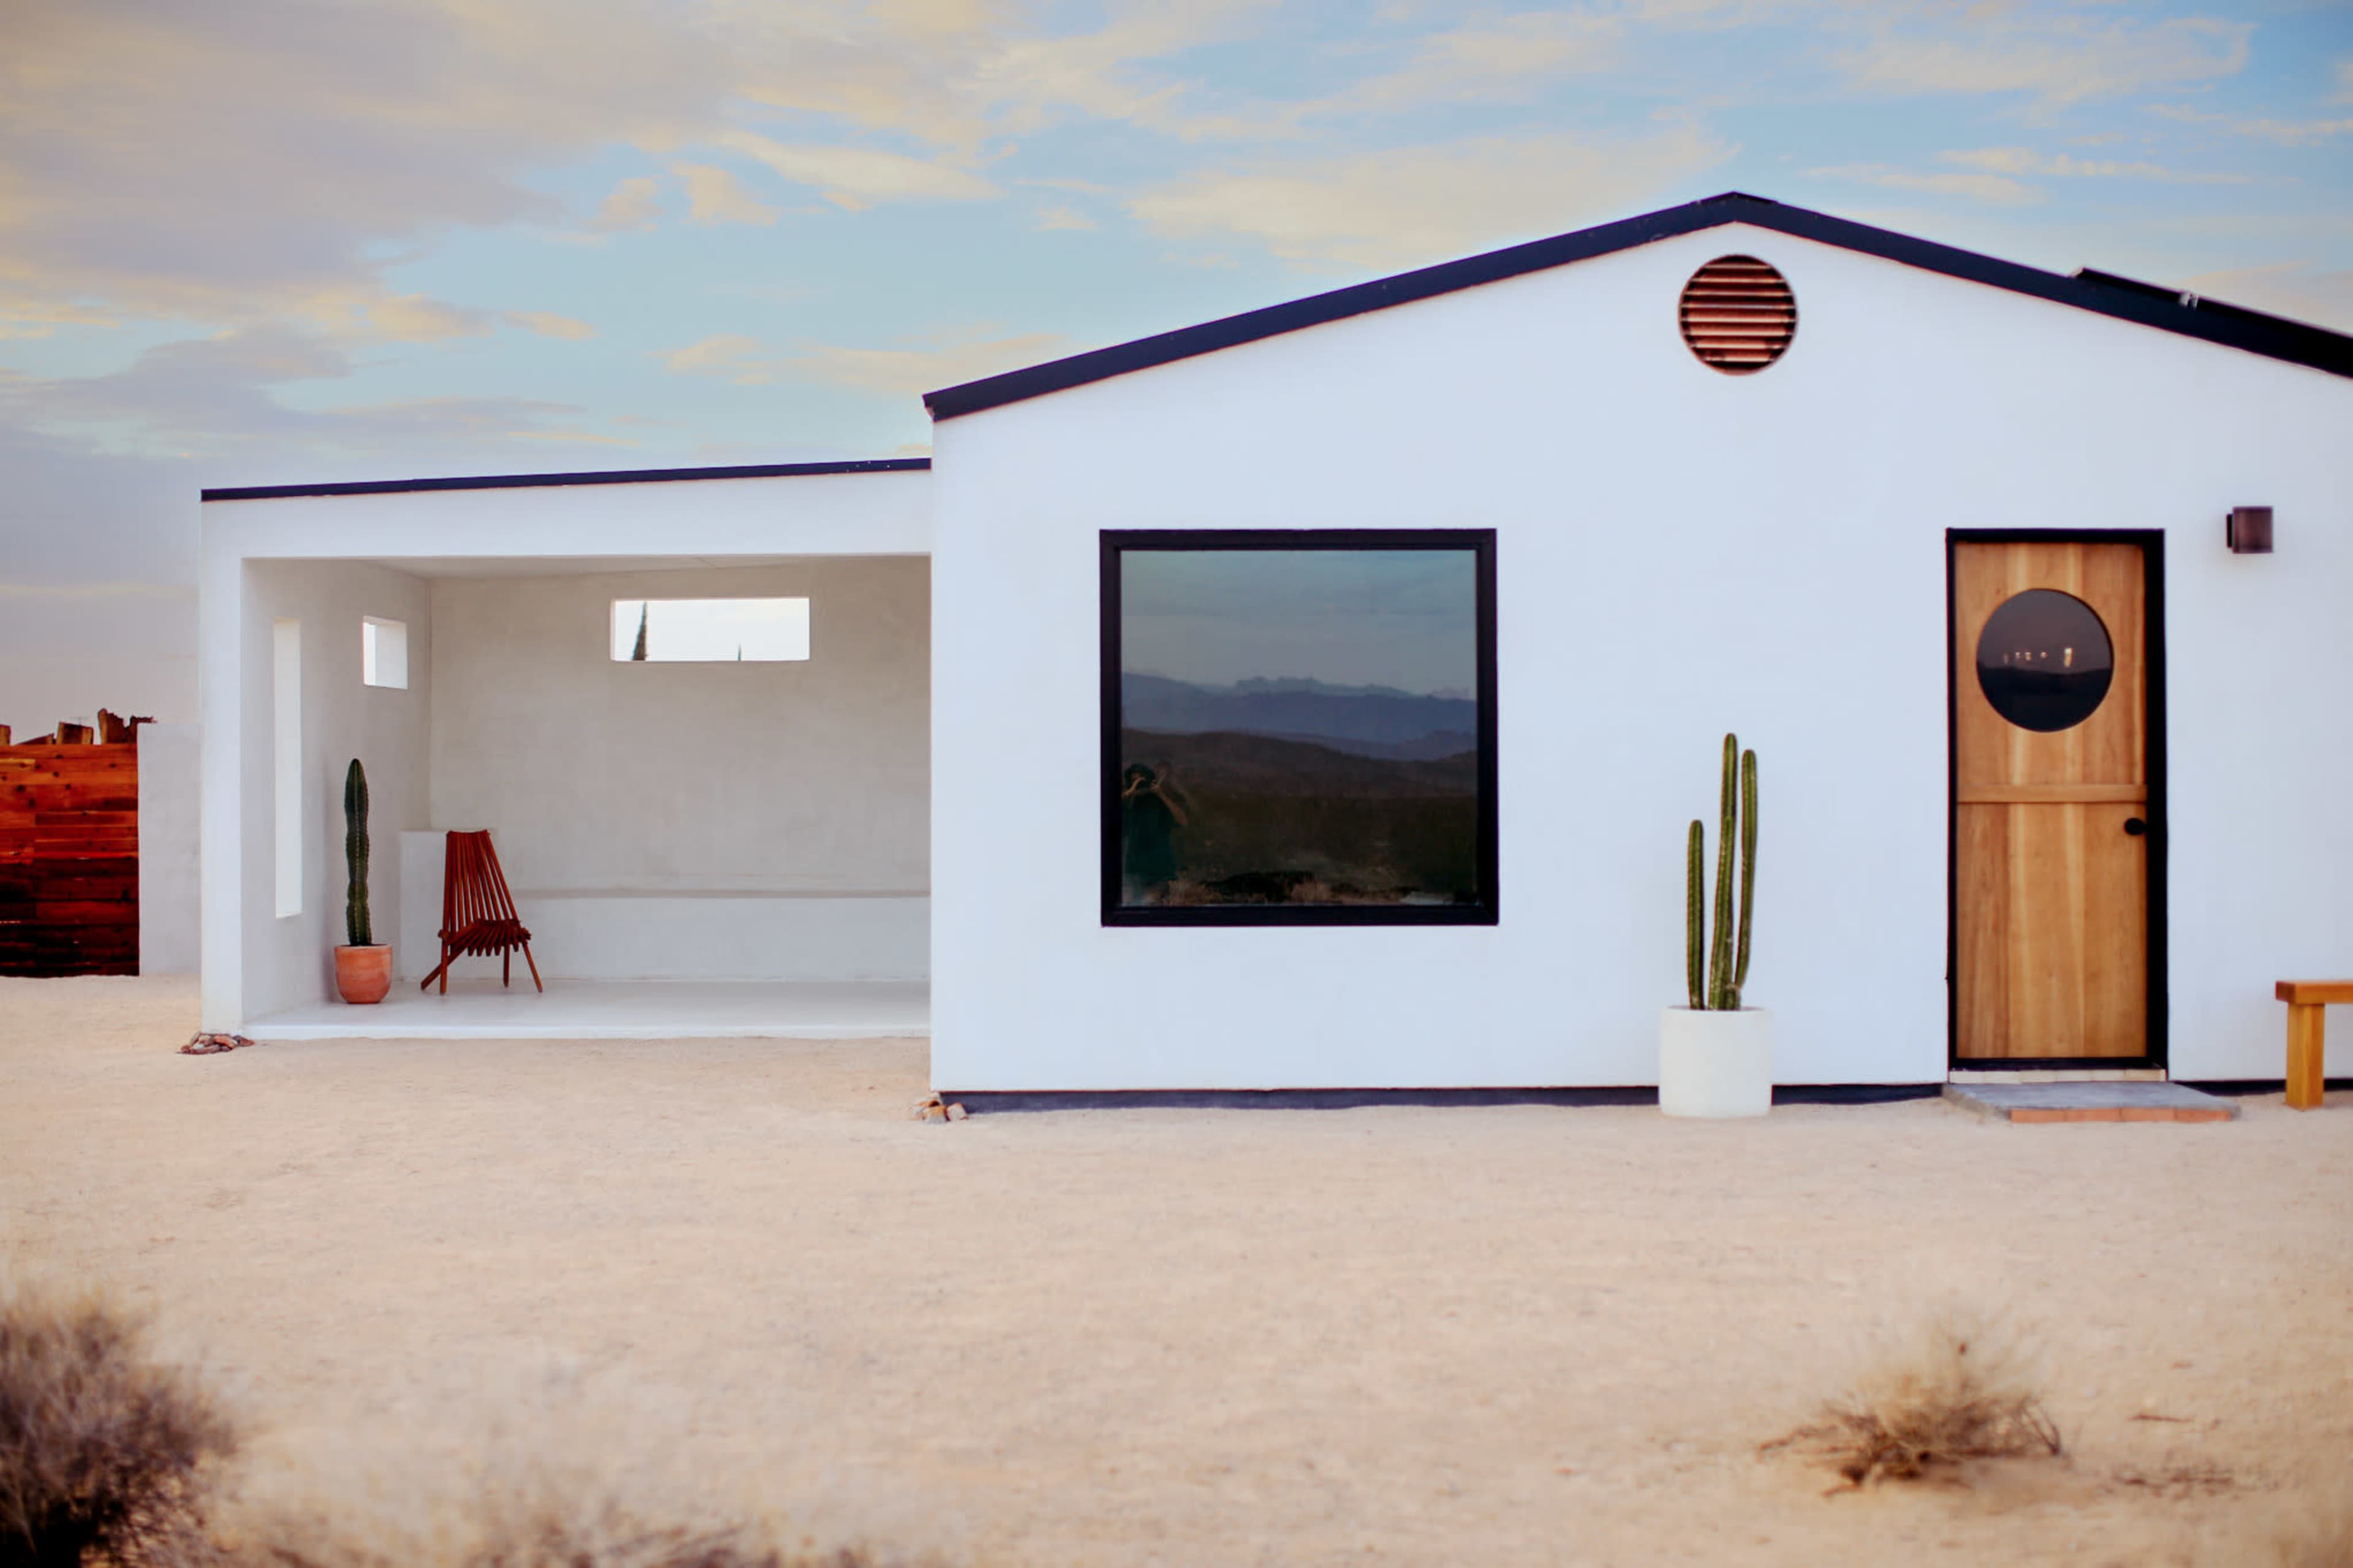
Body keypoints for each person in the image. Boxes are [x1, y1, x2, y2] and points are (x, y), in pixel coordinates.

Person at [1120, 762, 1189, 904]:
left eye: (1142, 780)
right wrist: (1130, 793)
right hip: (1134, 869)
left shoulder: (1158, 803)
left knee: (1150, 903)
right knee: (1134, 905)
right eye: (1134, 780)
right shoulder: (1129, 804)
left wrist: (1160, 794)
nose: (1139, 784)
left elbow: (1182, 821)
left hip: (1159, 868)